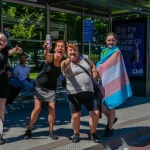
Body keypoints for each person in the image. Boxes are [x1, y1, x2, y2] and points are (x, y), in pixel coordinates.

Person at [23, 40, 66, 140]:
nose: (60, 48)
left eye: (62, 46)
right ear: (55, 48)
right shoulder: (50, 57)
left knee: (52, 108)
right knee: (37, 108)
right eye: (58, 46)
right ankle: (29, 129)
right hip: (40, 85)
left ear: (65, 50)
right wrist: (46, 49)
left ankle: (51, 130)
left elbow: (71, 61)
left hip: (51, 87)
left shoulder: (64, 60)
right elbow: (47, 57)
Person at [61, 41, 100, 143]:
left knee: (95, 114)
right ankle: (76, 134)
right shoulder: (65, 62)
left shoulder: (84, 57)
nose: (73, 52)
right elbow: (62, 66)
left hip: (88, 91)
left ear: (78, 51)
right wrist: (69, 59)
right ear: (66, 52)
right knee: (75, 115)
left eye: (75, 50)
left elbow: (92, 66)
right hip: (74, 93)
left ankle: (93, 133)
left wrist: (94, 72)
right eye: (70, 50)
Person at [96, 32, 132, 137]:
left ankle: (110, 128)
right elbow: (104, 64)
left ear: (116, 41)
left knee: (111, 104)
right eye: (108, 40)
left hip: (113, 81)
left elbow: (106, 65)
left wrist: (96, 67)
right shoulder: (104, 51)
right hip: (103, 81)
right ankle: (112, 119)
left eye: (112, 40)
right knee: (99, 104)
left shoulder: (116, 52)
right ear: (106, 41)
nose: (110, 42)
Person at [0, 32, 22, 145]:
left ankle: (0, 135)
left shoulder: (5, 50)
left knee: (1, 109)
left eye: (4, 40)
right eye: (0, 39)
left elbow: (10, 52)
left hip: (3, 82)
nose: (2, 42)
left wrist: (17, 50)